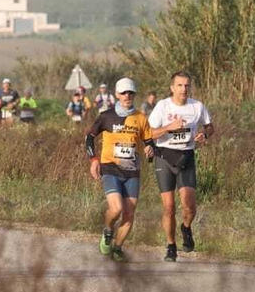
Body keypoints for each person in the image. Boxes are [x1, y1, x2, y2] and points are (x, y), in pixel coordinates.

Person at [146, 70, 213, 261]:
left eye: (186, 85)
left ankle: (186, 228)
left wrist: (205, 135)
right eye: (180, 85)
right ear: (172, 87)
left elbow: (210, 126)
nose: (183, 89)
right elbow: (149, 133)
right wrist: (168, 127)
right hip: (164, 157)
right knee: (168, 207)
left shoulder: (197, 106)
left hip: (186, 157)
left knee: (189, 206)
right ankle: (170, 245)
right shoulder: (162, 106)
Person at [85, 77, 150, 262]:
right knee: (116, 209)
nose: (127, 96)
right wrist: (93, 160)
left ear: (134, 95)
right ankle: (107, 230)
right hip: (110, 168)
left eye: (130, 93)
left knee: (129, 214)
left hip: (132, 172)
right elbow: (89, 138)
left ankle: (118, 247)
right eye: (123, 93)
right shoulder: (106, 116)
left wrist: (149, 149)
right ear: (117, 95)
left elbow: (149, 141)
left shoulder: (140, 118)